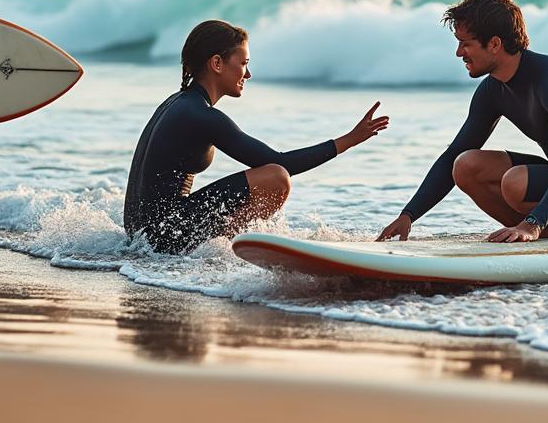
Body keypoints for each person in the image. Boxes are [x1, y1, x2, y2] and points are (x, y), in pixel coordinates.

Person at [376, 0, 548, 244]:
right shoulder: (492, 90)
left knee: (515, 182)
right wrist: (408, 215)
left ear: (494, 44)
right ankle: (545, 234)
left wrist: (534, 222)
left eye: (465, 44)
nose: (459, 53)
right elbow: (453, 154)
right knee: (465, 165)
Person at [124, 19, 389, 254]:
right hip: (164, 238)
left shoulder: (177, 104)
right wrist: (349, 139)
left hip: (140, 234)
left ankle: (220, 245)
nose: (248, 74)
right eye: (243, 64)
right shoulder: (201, 115)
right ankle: (227, 251)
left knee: (272, 174)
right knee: (276, 177)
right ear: (217, 63)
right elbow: (280, 162)